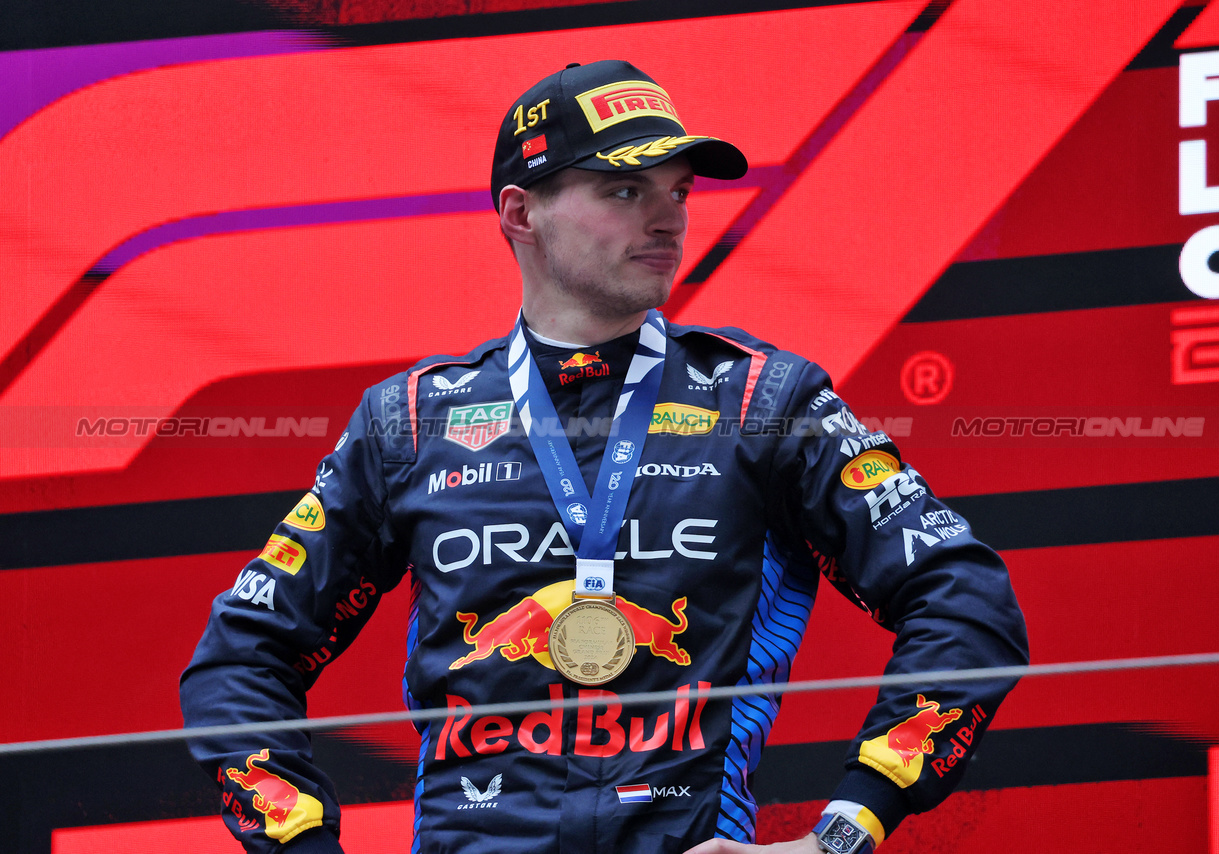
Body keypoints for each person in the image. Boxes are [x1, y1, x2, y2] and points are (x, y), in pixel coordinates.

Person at [181, 60, 1029, 854]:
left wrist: (846, 828)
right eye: (625, 189)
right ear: (520, 213)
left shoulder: (763, 402)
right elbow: (242, 658)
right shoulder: (410, 419)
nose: (667, 217)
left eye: (678, 190)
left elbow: (966, 601)